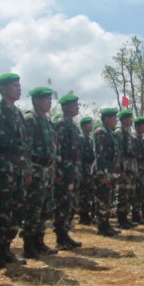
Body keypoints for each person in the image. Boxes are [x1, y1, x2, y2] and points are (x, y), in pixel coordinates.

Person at [0, 73, 30, 269]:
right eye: (14, 86)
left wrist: (26, 169)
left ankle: (7, 248)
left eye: (19, 85)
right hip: (2, 169)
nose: (18, 89)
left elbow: (25, 145)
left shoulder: (18, 114)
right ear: (2, 89)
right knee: (0, 210)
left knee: (16, 210)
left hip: (17, 170)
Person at [20, 87, 58, 258]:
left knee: (44, 209)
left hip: (47, 171)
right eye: (45, 99)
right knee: (32, 208)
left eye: (50, 99)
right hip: (35, 169)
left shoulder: (47, 121)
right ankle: (29, 245)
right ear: (35, 100)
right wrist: (27, 170)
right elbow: (26, 147)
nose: (49, 102)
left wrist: (53, 169)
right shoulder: (30, 119)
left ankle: (39, 242)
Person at [52, 93, 84, 250]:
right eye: (74, 104)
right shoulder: (61, 124)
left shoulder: (71, 124)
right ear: (65, 107)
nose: (77, 107)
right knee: (61, 204)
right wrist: (57, 172)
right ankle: (60, 237)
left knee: (68, 204)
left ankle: (65, 234)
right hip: (63, 173)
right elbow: (56, 150)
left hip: (71, 172)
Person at [92, 108, 121, 236]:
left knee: (108, 199)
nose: (116, 120)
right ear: (107, 119)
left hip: (111, 171)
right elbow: (99, 154)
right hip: (104, 171)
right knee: (102, 199)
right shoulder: (101, 132)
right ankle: (102, 226)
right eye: (114, 117)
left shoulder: (110, 132)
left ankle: (106, 224)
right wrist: (101, 174)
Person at [115, 109, 138, 229]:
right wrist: (121, 169)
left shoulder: (128, 133)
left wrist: (135, 169)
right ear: (124, 119)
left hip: (130, 168)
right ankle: (121, 219)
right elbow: (119, 153)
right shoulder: (119, 133)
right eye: (129, 118)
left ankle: (125, 217)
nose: (131, 120)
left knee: (128, 193)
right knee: (122, 193)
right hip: (124, 168)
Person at [76, 115, 96, 225]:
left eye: (91, 124)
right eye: (88, 124)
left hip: (89, 168)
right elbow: (80, 155)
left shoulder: (89, 138)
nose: (90, 126)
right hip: (83, 168)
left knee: (89, 193)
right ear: (83, 126)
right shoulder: (81, 138)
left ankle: (87, 214)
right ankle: (83, 215)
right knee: (83, 192)